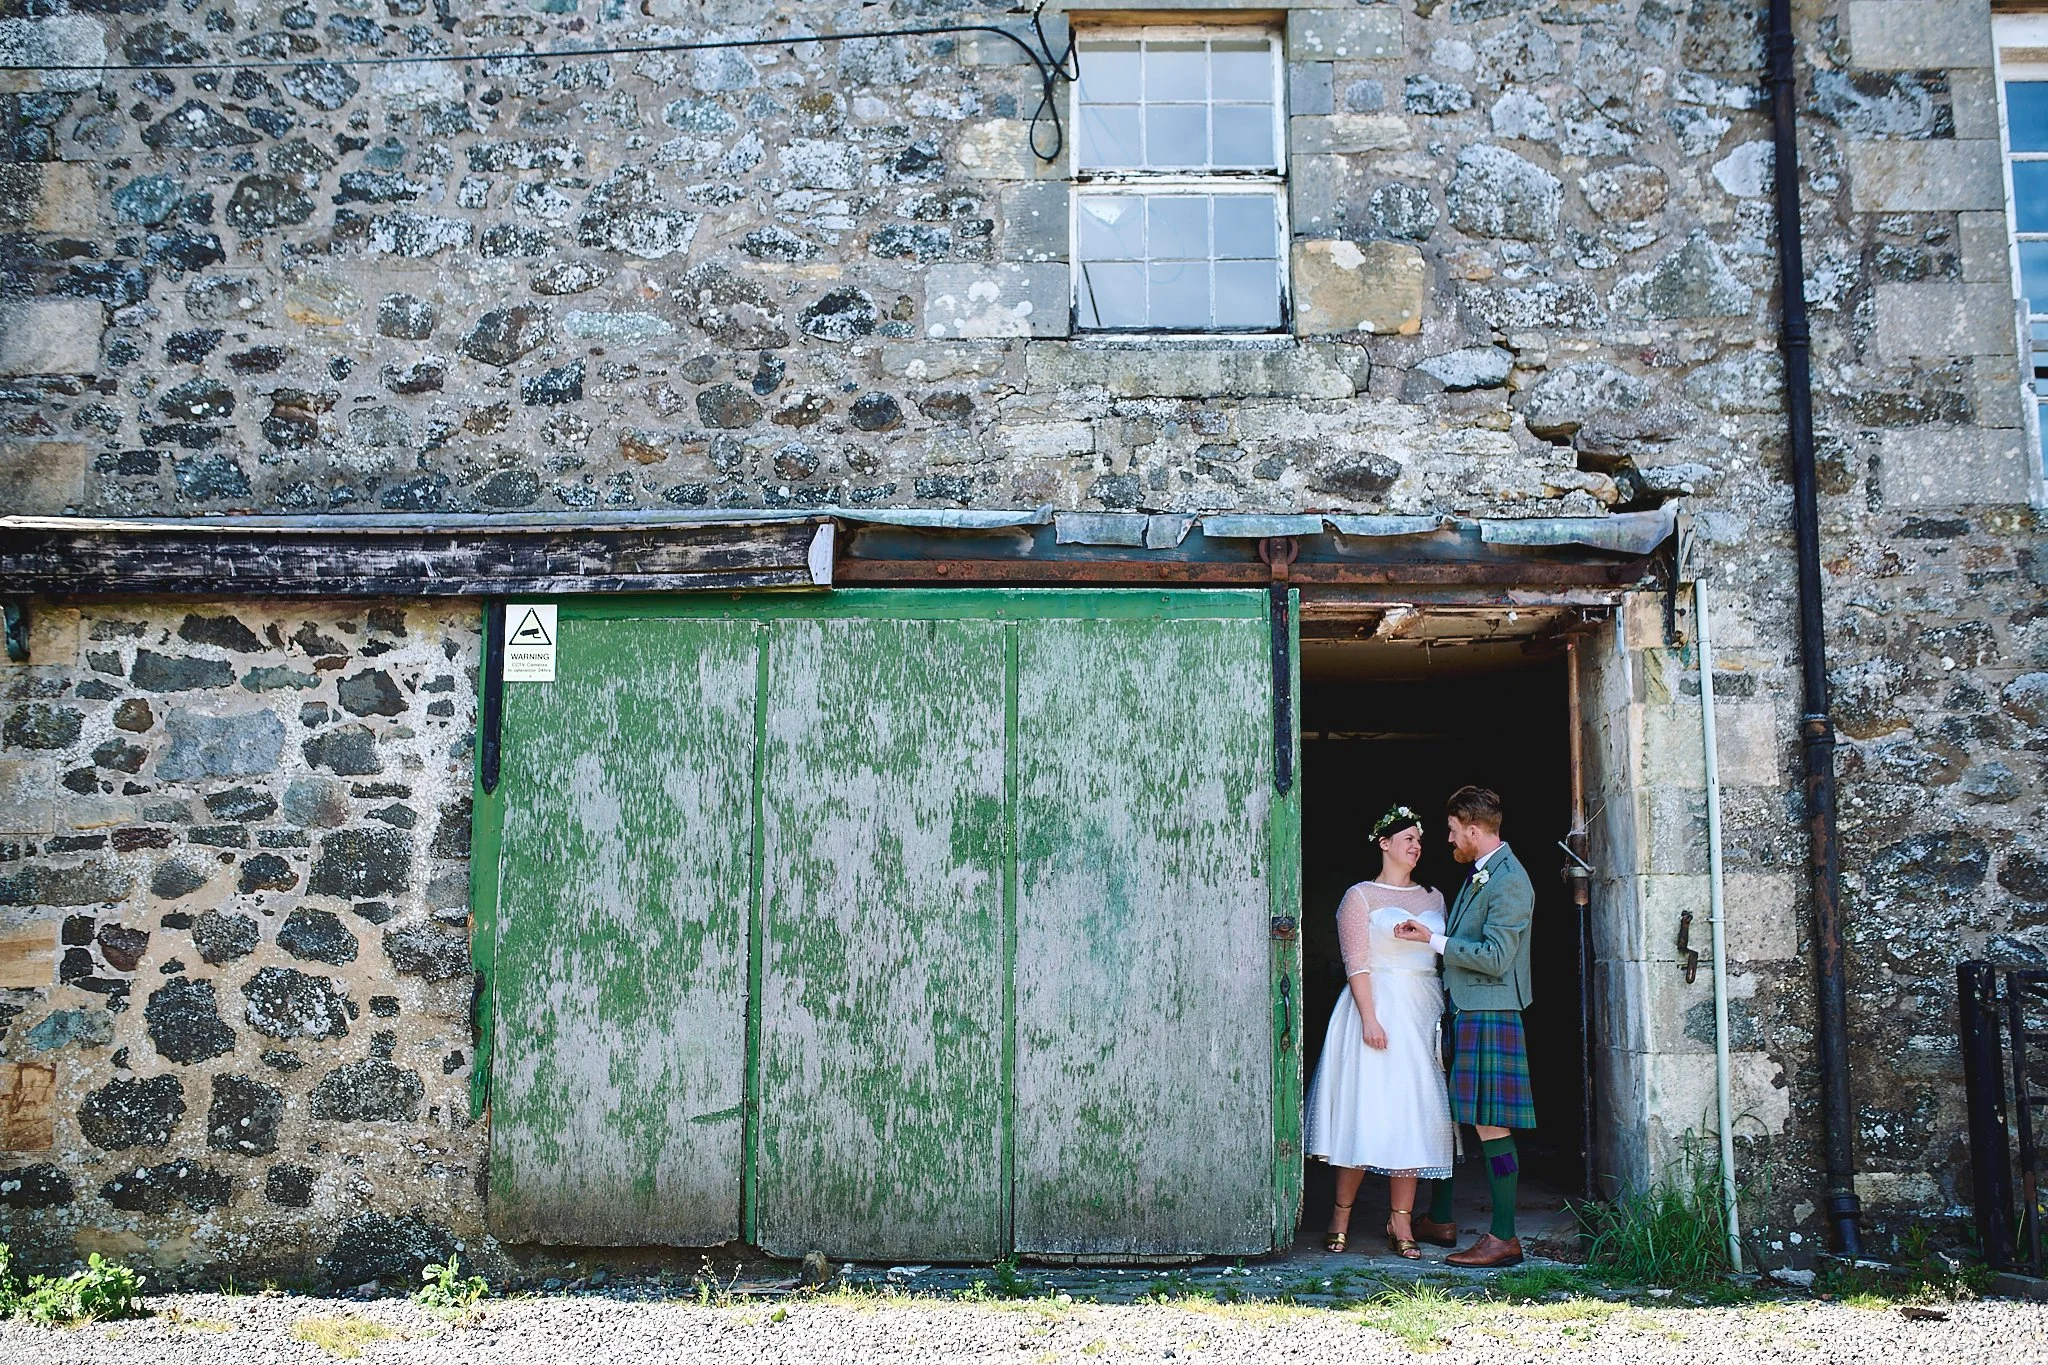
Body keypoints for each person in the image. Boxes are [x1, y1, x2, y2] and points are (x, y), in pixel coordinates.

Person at [1303, 804, 1456, 1258]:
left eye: (1419, 839)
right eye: (1407, 837)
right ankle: (1341, 1214)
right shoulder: (1360, 896)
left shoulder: (1434, 898)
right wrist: (1370, 1017)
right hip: (1375, 1006)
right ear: (1384, 843)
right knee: (1364, 1109)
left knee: (1415, 1113)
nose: (1416, 845)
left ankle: (1402, 1223)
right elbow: (1357, 962)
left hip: (1422, 1011)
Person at [1395, 785, 1537, 1269]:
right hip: (1467, 1008)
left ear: (1474, 831)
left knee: (1490, 1122)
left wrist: (1434, 941)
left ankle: (1504, 1237)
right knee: (1453, 1113)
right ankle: (1438, 1217)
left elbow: (1497, 958)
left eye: (1455, 832)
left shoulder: (1510, 881)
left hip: (1492, 1011)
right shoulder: (1482, 874)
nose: (1450, 841)